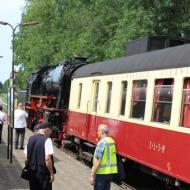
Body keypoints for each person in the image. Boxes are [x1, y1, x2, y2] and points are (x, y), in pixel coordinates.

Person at [24, 123, 55, 190]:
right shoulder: (47, 140)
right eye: (50, 132)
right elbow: (47, 159)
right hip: (43, 172)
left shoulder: (31, 139)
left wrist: (27, 167)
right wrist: (51, 173)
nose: (49, 135)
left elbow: (26, 158)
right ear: (47, 130)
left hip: (32, 171)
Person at [90, 124, 118, 190]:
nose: (97, 133)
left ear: (102, 132)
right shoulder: (112, 141)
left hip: (101, 173)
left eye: (98, 131)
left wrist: (92, 175)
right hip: (110, 173)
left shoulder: (102, 143)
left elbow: (98, 161)